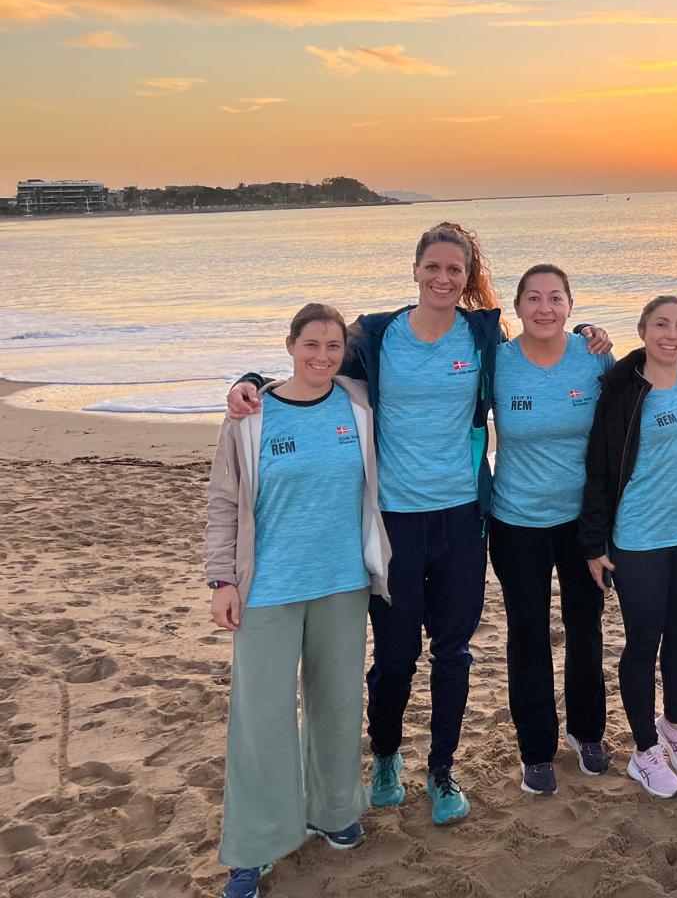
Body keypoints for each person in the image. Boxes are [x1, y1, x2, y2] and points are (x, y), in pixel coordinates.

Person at [226, 223, 610, 826]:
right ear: (416, 270)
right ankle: (385, 757)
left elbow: (550, 350)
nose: (443, 278)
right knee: (397, 655)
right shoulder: (376, 334)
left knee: (453, 651)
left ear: (468, 278)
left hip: (462, 516)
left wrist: (591, 333)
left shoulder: (482, 334)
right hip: (395, 518)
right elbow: (313, 362)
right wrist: (250, 381)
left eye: (455, 270)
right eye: (433, 266)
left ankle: (442, 768)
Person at [205, 304, 392, 898]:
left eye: (333, 346)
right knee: (261, 720)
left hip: (342, 583)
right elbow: (223, 503)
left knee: (337, 705)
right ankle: (254, 847)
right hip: (268, 590)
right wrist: (222, 580)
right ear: (290, 346)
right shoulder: (251, 415)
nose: (322, 356)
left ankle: (333, 811)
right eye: (311, 344)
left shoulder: (358, 403)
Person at [578, 296, 677, 799]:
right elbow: (599, 469)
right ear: (642, 330)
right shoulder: (623, 390)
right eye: (661, 324)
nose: (672, 333)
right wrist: (594, 543)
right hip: (638, 538)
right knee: (643, 642)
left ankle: (675, 727)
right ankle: (644, 750)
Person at [489, 264, 616, 795]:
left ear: (570, 305)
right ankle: (535, 748)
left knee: (586, 628)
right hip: (516, 520)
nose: (545, 308)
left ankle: (586, 732)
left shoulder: (594, 358)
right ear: (517, 308)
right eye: (534, 298)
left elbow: (620, 426)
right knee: (529, 634)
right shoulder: (494, 362)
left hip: (582, 524)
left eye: (556, 298)